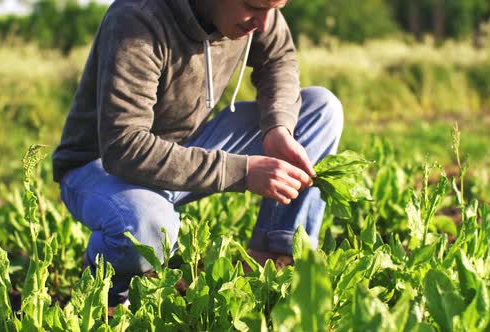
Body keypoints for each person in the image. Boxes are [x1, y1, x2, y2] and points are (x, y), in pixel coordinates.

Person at [52, 0, 343, 307]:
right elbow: (124, 146)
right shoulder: (138, 17)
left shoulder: (258, 14)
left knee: (320, 109)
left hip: (187, 145)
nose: (265, 23)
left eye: (275, 8)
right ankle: (105, 292)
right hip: (102, 166)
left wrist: (278, 128)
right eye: (255, 7)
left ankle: (272, 257)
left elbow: (278, 60)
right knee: (148, 227)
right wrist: (241, 171)